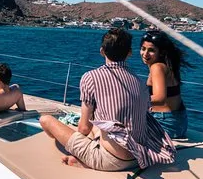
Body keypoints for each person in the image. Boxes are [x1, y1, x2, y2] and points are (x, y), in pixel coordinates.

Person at [40, 28, 175, 171]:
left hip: (110, 159)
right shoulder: (140, 82)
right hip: (139, 157)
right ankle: (90, 155)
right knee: (97, 126)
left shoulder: (90, 77)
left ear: (102, 51)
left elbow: (84, 128)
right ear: (129, 52)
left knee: (46, 120)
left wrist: (73, 140)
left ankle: (88, 160)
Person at [140, 30, 191, 139]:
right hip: (178, 123)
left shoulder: (157, 67)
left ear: (161, 52)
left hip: (164, 123)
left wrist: (133, 100)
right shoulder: (168, 66)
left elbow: (160, 98)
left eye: (151, 50)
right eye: (143, 49)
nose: (145, 53)